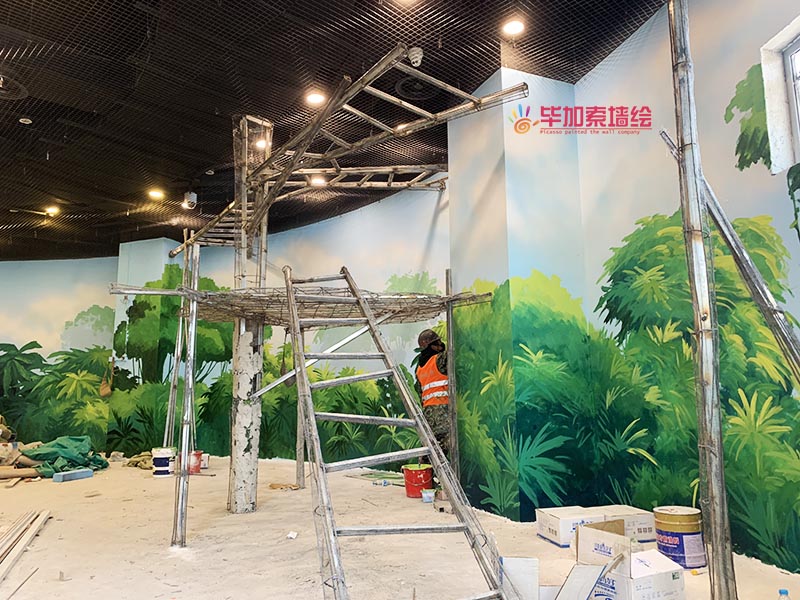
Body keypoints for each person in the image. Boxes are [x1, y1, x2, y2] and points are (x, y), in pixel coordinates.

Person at [414, 329, 450, 458]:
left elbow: (420, 393)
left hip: (428, 415)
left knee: (431, 450)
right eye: (438, 343)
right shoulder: (439, 359)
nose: (441, 346)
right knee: (447, 444)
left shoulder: (419, 369)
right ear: (431, 346)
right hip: (443, 413)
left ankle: (425, 467)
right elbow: (453, 352)